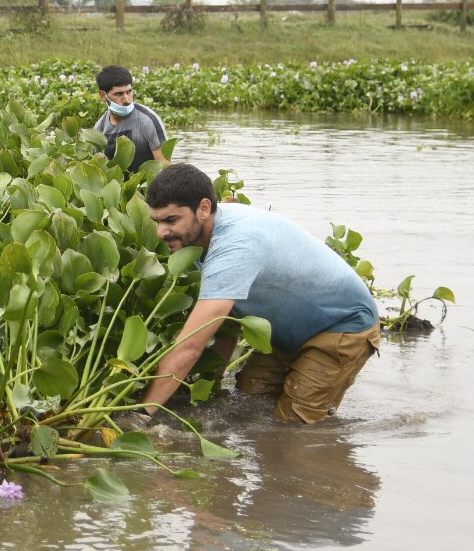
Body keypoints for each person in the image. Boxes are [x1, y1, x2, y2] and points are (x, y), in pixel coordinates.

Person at [131, 163, 380, 425]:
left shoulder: (235, 247)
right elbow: (226, 320)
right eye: (157, 221)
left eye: (171, 220)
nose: (161, 232)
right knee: (248, 406)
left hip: (342, 325)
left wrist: (143, 414)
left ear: (203, 208)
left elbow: (189, 346)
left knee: (292, 428)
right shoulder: (198, 234)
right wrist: (211, 384)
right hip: (285, 330)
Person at [93, 64, 168, 173]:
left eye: (129, 92)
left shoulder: (148, 120)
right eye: (119, 94)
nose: (126, 99)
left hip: (148, 186)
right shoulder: (99, 127)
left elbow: (165, 168)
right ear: (103, 95)